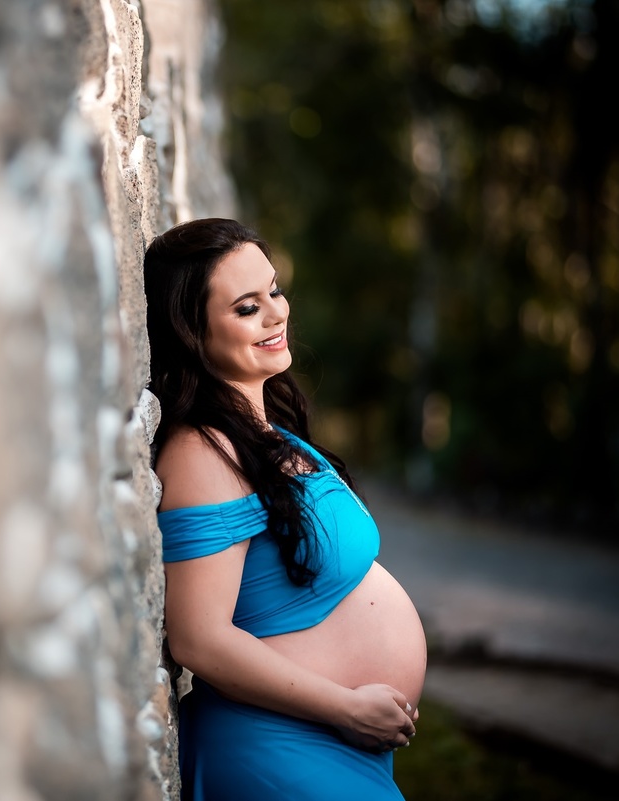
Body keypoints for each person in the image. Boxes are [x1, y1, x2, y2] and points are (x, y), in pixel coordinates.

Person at [143, 218, 427, 800]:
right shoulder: (202, 453)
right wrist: (346, 707)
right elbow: (199, 639)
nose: (276, 314)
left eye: (273, 290)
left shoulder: (266, 433)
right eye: (246, 307)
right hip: (278, 747)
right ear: (192, 331)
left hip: (323, 743)